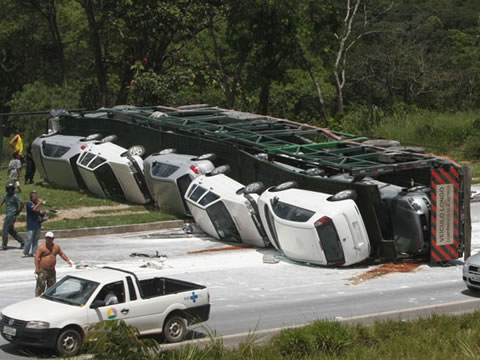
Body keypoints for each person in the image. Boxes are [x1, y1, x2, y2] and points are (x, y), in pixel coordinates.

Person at [35, 231, 72, 296]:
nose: (48, 239)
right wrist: (37, 268)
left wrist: (67, 260)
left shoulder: (56, 247)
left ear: (53, 238)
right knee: (40, 286)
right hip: (43, 269)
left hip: (51, 270)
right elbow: (36, 257)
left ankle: (49, 297)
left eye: (50, 238)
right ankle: (37, 298)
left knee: (52, 286)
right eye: (47, 238)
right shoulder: (41, 247)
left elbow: (61, 254)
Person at [0, 182, 24, 250]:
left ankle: (4, 245)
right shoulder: (6, 196)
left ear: (13, 189)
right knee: (10, 230)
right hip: (8, 215)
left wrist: (19, 211)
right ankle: (22, 241)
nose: (10, 191)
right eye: (8, 189)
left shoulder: (15, 196)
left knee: (5, 230)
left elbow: (22, 203)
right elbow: (1, 203)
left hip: (12, 214)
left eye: (11, 189)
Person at [23, 191, 44, 258]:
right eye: (35, 196)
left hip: (37, 224)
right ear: (32, 197)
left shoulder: (36, 204)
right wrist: (40, 203)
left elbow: (37, 211)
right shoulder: (29, 203)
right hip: (31, 225)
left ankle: (34, 252)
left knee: (36, 239)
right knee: (29, 239)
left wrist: (42, 213)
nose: (37, 197)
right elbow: (33, 209)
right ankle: (25, 252)